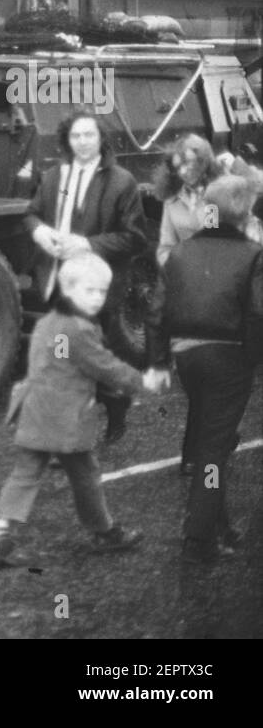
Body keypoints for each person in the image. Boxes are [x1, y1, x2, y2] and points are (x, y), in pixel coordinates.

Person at [0, 253, 165, 570]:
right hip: (67, 419)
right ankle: (105, 530)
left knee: (24, 475)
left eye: (101, 292)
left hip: (35, 412)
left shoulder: (46, 323)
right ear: (68, 289)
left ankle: (0, 533)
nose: (97, 299)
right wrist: (141, 380)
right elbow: (103, 366)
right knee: (86, 476)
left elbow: (52, 364)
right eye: (89, 291)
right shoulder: (79, 329)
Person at [146, 175, 263, 564]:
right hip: (229, 358)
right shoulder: (253, 254)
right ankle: (198, 537)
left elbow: (156, 312)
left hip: (187, 357)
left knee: (214, 440)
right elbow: (258, 312)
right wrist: (252, 358)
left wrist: (159, 360)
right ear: (245, 213)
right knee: (214, 448)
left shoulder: (181, 252)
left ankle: (220, 524)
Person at [25, 111, 147, 443]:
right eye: (75, 136)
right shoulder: (53, 176)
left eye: (88, 136)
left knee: (95, 361)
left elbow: (135, 237)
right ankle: (67, 435)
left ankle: (116, 406)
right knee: (63, 362)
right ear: (67, 140)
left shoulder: (122, 182)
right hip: (58, 287)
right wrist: (40, 234)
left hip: (97, 290)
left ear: (101, 139)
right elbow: (32, 213)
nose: (82, 142)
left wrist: (88, 244)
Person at [154, 133, 263, 267]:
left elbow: (257, 187)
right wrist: (177, 269)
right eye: (178, 167)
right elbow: (165, 248)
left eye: (188, 164)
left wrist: (237, 164)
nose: (183, 171)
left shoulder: (223, 190)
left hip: (231, 268)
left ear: (202, 161)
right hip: (190, 272)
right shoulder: (172, 200)